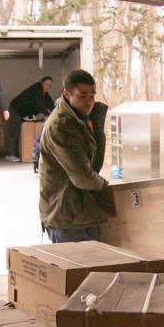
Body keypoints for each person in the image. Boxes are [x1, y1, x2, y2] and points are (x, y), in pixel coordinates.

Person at [38, 70, 110, 243]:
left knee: (92, 268)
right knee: (77, 269)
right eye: (82, 96)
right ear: (67, 94)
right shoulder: (61, 126)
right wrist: (105, 187)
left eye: (92, 96)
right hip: (65, 217)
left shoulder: (82, 119)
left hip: (80, 211)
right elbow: (83, 178)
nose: (89, 102)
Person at [6, 75, 54, 162]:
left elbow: (51, 104)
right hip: (15, 109)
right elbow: (39, 103)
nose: (48, 86)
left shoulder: (45, 94)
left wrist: (55, 113)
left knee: (23, 132)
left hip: (24, 113)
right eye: (47, 84)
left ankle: (20, 153)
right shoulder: (36, 89)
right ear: (42, 83)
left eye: (50, 85)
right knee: (14, 132)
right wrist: (47, 113)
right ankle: (10, 154)